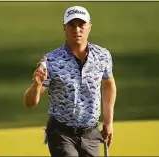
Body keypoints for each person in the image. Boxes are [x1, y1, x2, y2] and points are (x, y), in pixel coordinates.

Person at [24, 6, 116, 157]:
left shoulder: (102, 56)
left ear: (89, 27)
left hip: (91, 133)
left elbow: (109, 84)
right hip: (61, 134)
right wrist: (37, 84)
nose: (77, 29)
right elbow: (29, 102)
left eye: (81, 25)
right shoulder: (51, 61)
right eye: (71, 25)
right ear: (64, 28)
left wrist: (108, 122)